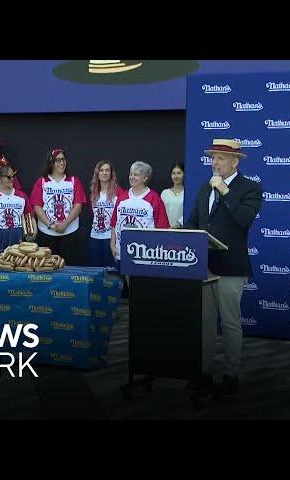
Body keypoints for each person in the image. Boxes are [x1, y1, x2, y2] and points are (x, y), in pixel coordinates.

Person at [184, 139, 263, 397]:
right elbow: (194, 222)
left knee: (229, 323)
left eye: (219, 158)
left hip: (231, 266)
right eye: (212, 157)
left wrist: (226, 193)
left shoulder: (250, 188)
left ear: (235, 162)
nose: (213, 162)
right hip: (203, 266)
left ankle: (231, 374)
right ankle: (203, 372)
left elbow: (243, 220)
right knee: (205, 323)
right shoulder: (205, 188)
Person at [30, 148, 87, 266]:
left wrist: (65, 224)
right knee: (47, 267)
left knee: (69, 266)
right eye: (58, 160)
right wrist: (50, 224)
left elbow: (78, 206)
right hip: (47, 232)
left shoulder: (73, 181)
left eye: (64, 159)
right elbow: (37, 207)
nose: (62, 163)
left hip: (69, 231)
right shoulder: (42, 182)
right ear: (51, 163)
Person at [110, 161, 170, 264]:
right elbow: (114, 223)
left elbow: (162, 227)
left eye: (136, 175)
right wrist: (112, 244)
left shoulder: (154, 198)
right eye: (131, 174)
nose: (132, 177)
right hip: (122, 251)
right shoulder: (122, 197)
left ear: (145, 178)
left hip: (146, 253)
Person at [0, 158, 33, 258]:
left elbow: (29, 216)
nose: (12, 179)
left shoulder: (21, 196)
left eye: (13, 176)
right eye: (8, 177)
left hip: (17, 235)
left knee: (18, 265)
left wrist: (32, 233)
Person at [88, 161, 124, 269]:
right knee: (96, 270)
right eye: (101, 170)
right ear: (97, 174)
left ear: (111, 174)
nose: (104, 173)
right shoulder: (94, 193)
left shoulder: (119, 192)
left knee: (111, 271)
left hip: (111, 237)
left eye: (107, 170)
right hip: (95, 236)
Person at [161, 162, 185, 228]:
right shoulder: (165, 193)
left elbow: (189, 213)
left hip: (182, 231)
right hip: (165, 230)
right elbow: (160, 213)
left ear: (184, 174)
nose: (176, 176)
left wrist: (178, 225)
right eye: (173, 173)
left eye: (179, 173)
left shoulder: (187, 194)